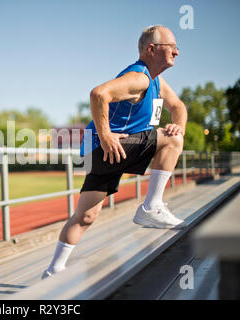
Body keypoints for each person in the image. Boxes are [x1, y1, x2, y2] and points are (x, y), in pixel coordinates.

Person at [42, 25, 187, 279]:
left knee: (85, 216)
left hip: (106, 150)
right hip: (108, 146)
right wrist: (107, 134)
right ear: (151, 49)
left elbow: (178, 106)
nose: (177, 52)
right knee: (173, 141)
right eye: (171, 47)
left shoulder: (157, 81)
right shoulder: (140, 77)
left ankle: (53, 270)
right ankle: (150, 207)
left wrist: (180, 124)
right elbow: (99, 94)